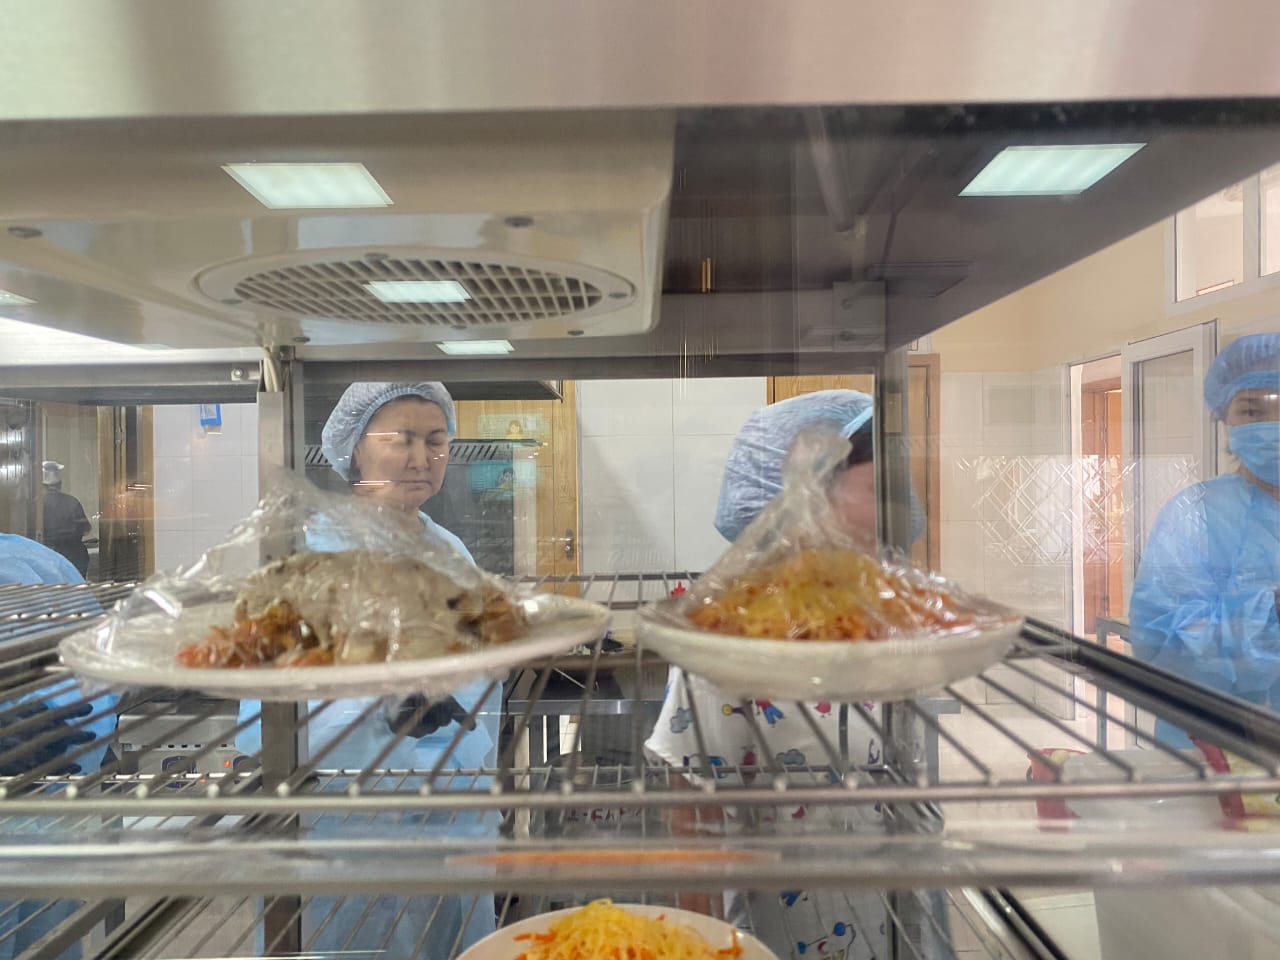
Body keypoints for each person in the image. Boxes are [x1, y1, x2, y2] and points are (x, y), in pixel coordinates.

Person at [646, 390, 935, 960]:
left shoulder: (886, 615)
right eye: (879, 490)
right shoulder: (730, 642)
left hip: (896, 927)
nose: (900, 508)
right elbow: (692, 830)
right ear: (802, 498)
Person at [236, 381, 499, 955]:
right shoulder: (307, 556)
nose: (421, 458)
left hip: (454, 813)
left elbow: (481, 686)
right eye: (400, 439)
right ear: (355, 448)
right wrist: (385, 709)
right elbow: (265, 714)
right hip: (347, 821)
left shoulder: (451, 551)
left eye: (435, 441)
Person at [1130, 333, 1280, 748]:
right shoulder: (1194, 514)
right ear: (1224, 418)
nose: (1273, 425)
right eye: (1252, 410)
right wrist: (1267, 610)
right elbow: (1159, 644)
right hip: (1211, 746)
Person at [0, 534, 114, 960]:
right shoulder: (35, 561)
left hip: (45, 811)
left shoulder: (31, 561)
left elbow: (98, 684)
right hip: (47, 813)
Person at [40, 461, 91, 578]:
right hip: (75, 556)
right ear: (60, 484)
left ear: (42, 485)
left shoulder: (37, 505)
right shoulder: (72, 502)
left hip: (48, 556)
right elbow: (86, 529)